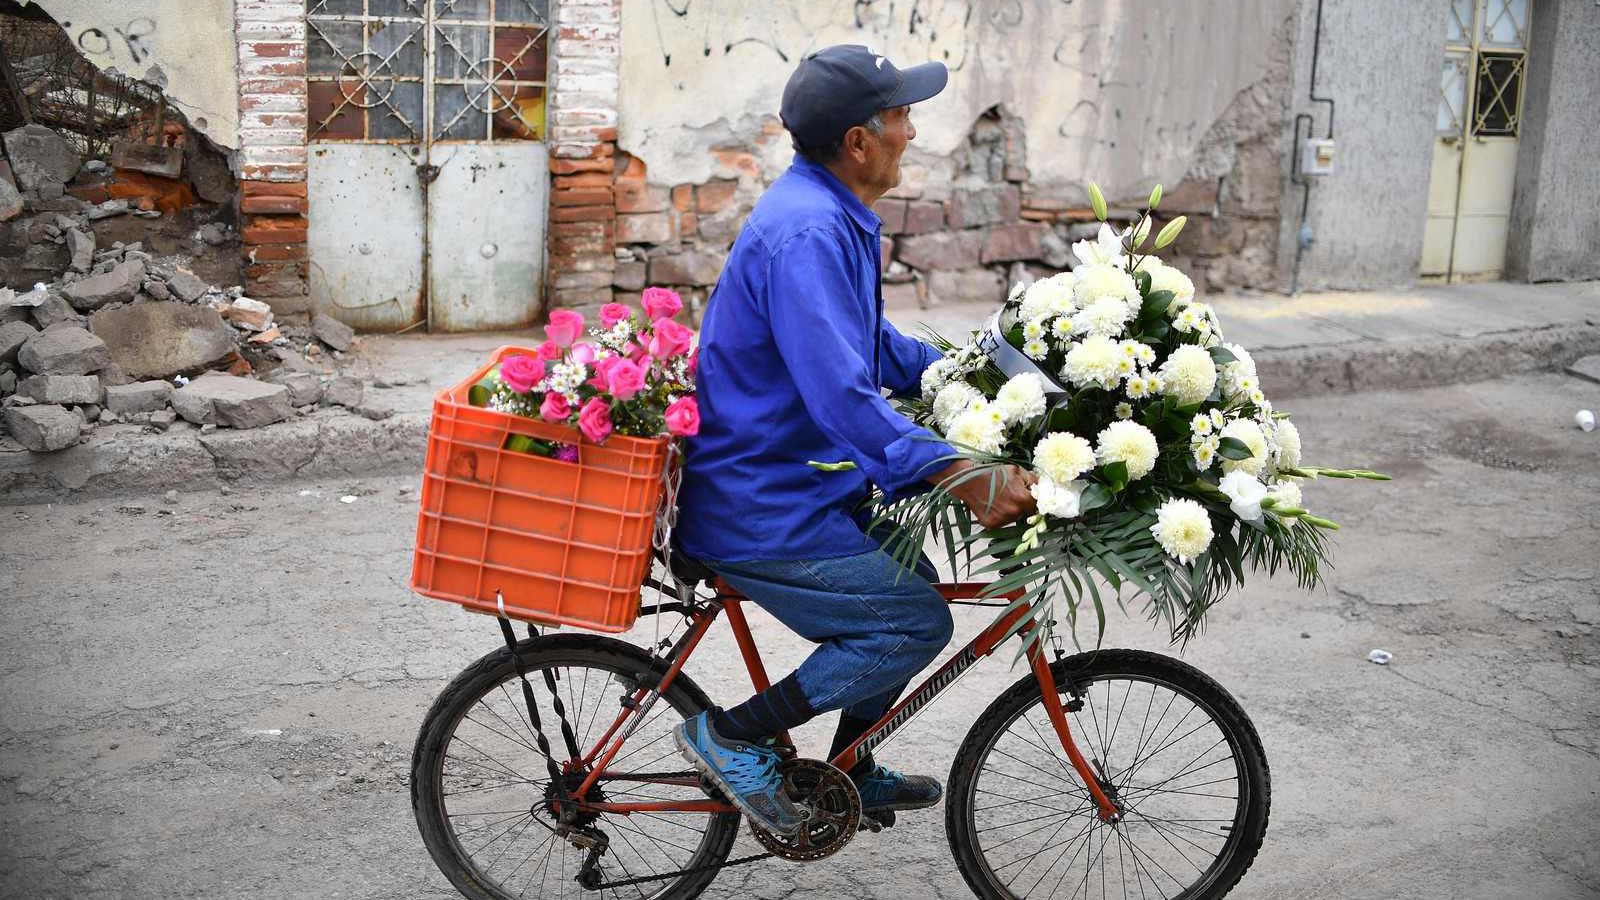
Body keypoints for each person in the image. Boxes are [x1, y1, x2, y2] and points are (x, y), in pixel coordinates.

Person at [671, 45, 1037, 836]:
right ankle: (730, 734)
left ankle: (849, 766)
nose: (913, 130)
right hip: (760, 503)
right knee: (911, 622)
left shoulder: (827, 212)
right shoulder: (807, 231)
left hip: (800, 485)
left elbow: (872, 351)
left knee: (914, 580)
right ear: (859, 142)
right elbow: (842, 395)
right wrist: (955, 471)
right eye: (902, 116)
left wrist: (979, 374)